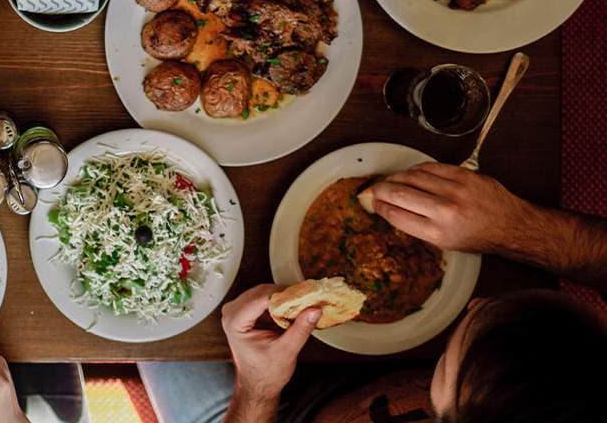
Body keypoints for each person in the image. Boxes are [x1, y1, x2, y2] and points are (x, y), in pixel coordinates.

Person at [142, 162, 607, 422]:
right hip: (339, 377)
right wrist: (516, 228)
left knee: (156, 308)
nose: (475, 302)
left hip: (269, 409)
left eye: (451, 360)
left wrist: (258, 391)